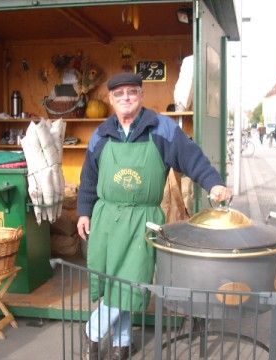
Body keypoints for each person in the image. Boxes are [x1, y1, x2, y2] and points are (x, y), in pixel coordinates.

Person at [76, 72, 232, 360]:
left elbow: (192, 157)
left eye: (132, 92)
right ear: (110, 99)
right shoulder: (101, 133)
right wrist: (84, 212)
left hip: (142, 221)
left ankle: (92, 331)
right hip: (107, 218)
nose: (126, 98)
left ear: (141, 96)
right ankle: (122, 343)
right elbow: (89, 178)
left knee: (131, 280)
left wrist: (214, 183)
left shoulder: (161, 128)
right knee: (113, 281)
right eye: (119, 93)